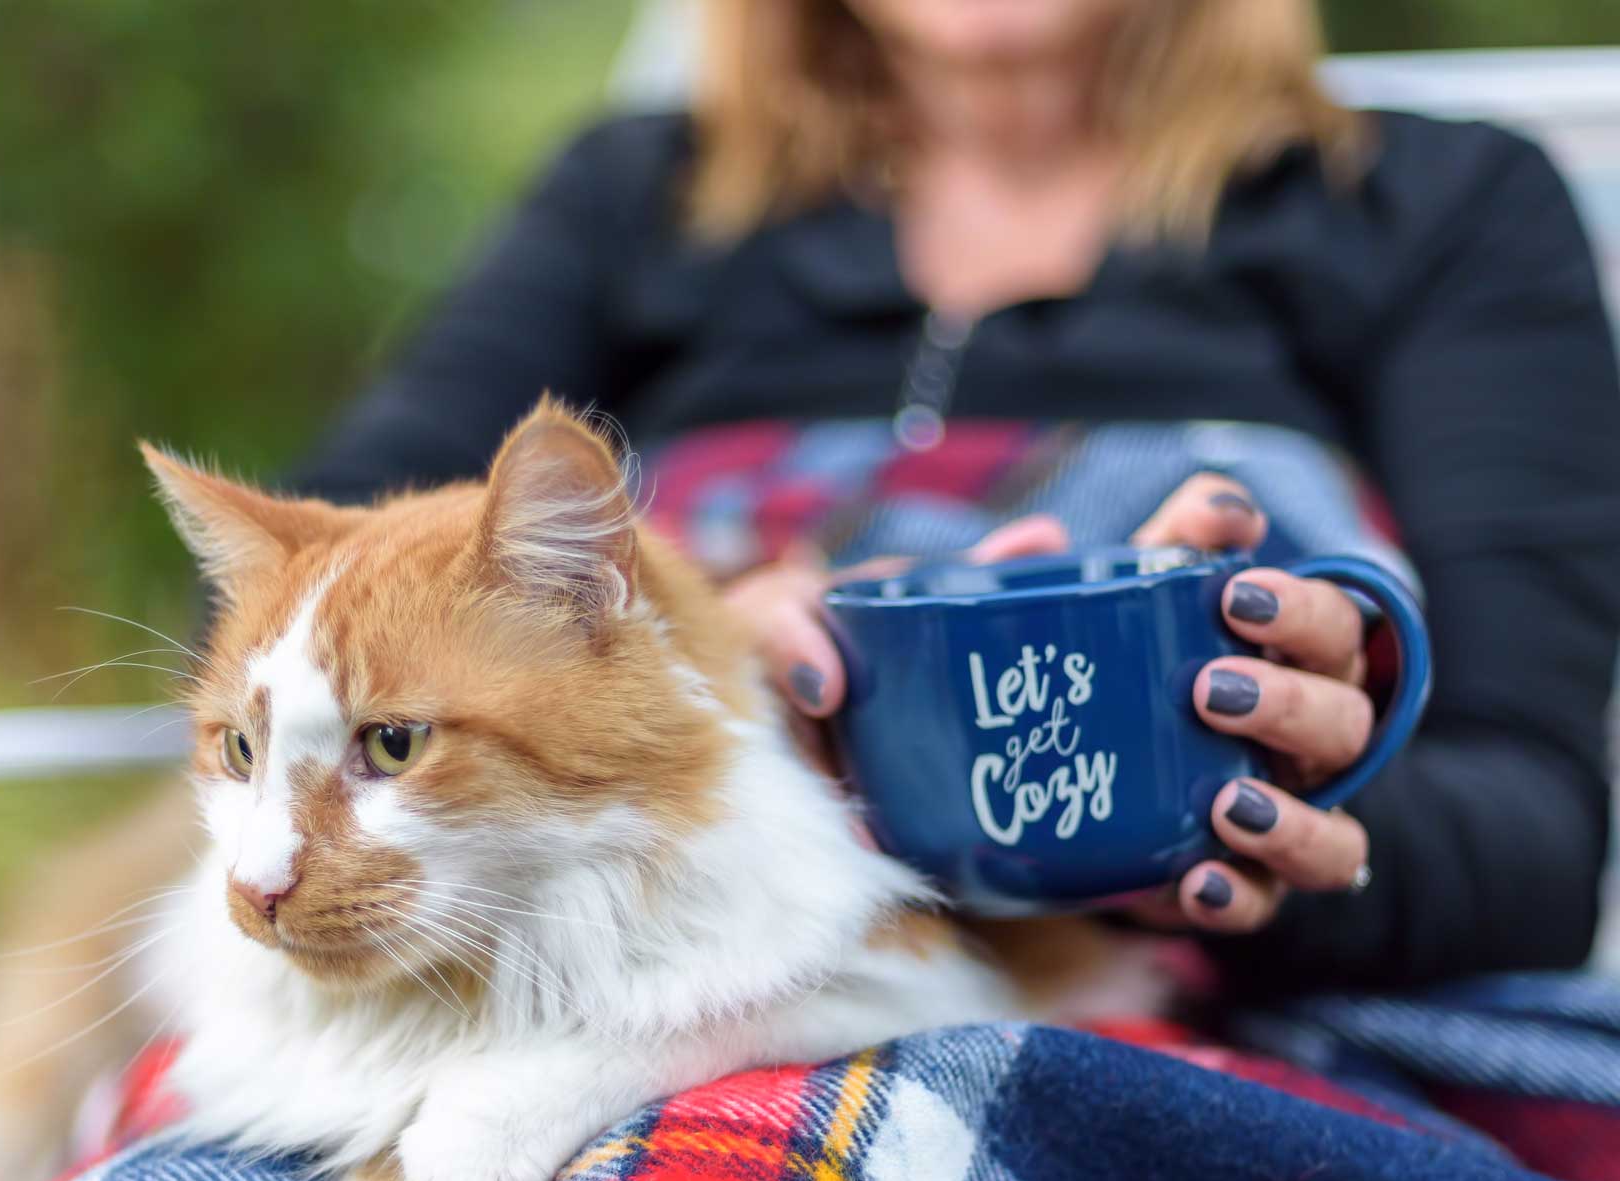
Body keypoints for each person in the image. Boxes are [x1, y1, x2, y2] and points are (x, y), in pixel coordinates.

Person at [285, 0, 1620, 1000]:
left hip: (1200, 1032)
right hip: (610, 980)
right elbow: (294, 596)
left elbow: (1536, 843)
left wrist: (1204, 810)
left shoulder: (1437, 206)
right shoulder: (642, 196)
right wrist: (685, 660)